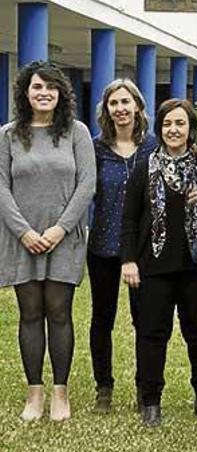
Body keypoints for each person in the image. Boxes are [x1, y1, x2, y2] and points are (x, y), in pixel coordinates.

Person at [0, 61, 95, 422]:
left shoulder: (76, 132)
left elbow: (86, 185)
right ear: (25, 92)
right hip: (20, 238)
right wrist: (24, 231)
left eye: (51, 87)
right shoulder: (8, 135)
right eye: (37, 87)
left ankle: (60, 394)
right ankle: (34, 394)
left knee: (59, 312)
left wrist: (59, 229)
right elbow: (1, 187)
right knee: (29, 314)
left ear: (61, 94)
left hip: (64, 239)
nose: (44, 93)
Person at [120, 99, 197, 427]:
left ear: (190, 128)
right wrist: (129, 261)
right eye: (167, 124)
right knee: (151, 334)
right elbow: (130, 219)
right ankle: (150, 402)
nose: (173, 130)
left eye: (180, 123)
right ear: (159, 128)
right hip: (153, 267)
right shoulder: (144, 166)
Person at [89, 78, 158, 413]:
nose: (120, 109)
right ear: (107, 110)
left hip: (141, 249)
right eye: (113, 103)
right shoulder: (95, 148)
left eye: (125, 102)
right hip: (102, 245)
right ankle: (104, 386)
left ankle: (145, 389)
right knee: (102, 318)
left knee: (143, 319)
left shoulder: (153, 148)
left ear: (138, 107)